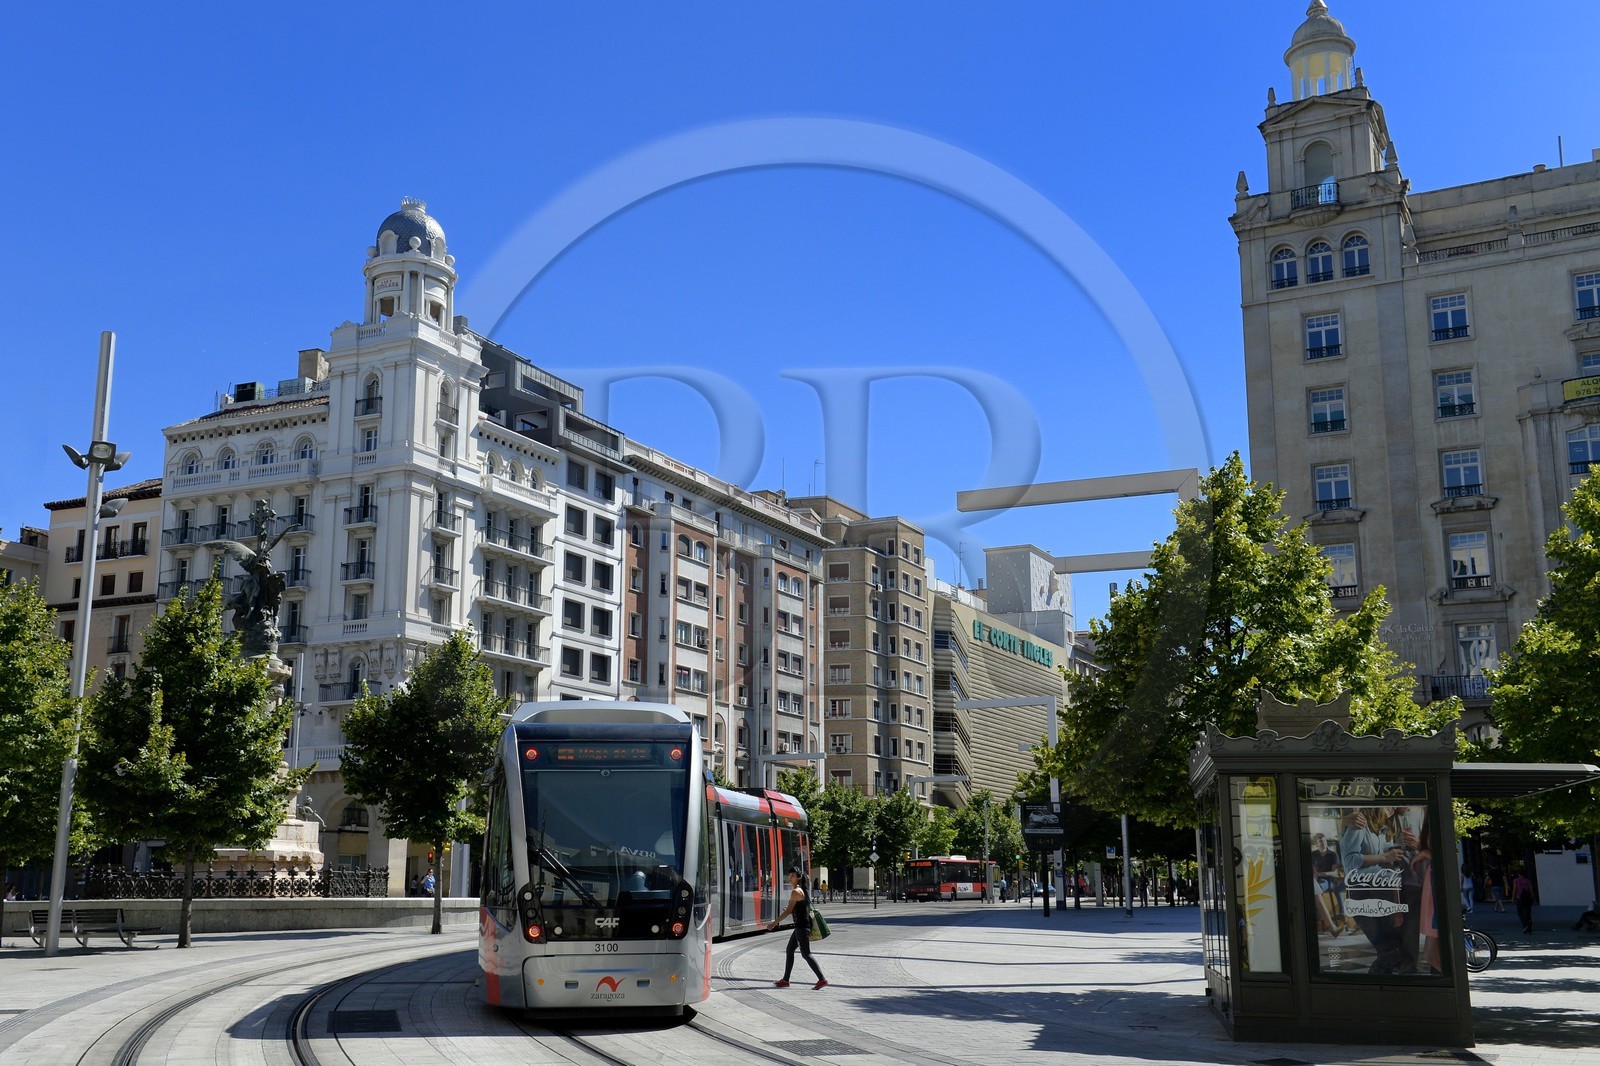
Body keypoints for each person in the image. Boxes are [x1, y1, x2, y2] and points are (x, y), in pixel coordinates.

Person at [768, 869, 827, 989]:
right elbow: (796, 908)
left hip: (802, 926)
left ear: (799, 877)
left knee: (806, 954)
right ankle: (785, 980)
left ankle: (822, 979)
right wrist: (790, 909)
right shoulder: (801, 890)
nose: (790, 878)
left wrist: (774, 923)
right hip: (801, 926)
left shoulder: (796, 891)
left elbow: (789, 911)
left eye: (793, 876)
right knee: (790, 950)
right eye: (789, 875)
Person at [1512, 868, 1536, 933]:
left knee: (1520, 912)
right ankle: (1529, 925)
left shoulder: (1516, 881)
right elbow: (1531, 891)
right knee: (1528, 913)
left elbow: (1515, 889)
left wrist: (1513, 898)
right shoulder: (1528, 881)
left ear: (1518, 874)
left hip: (1519, 898)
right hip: (1527, 898)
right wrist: (1534, 900)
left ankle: (1525, 925)